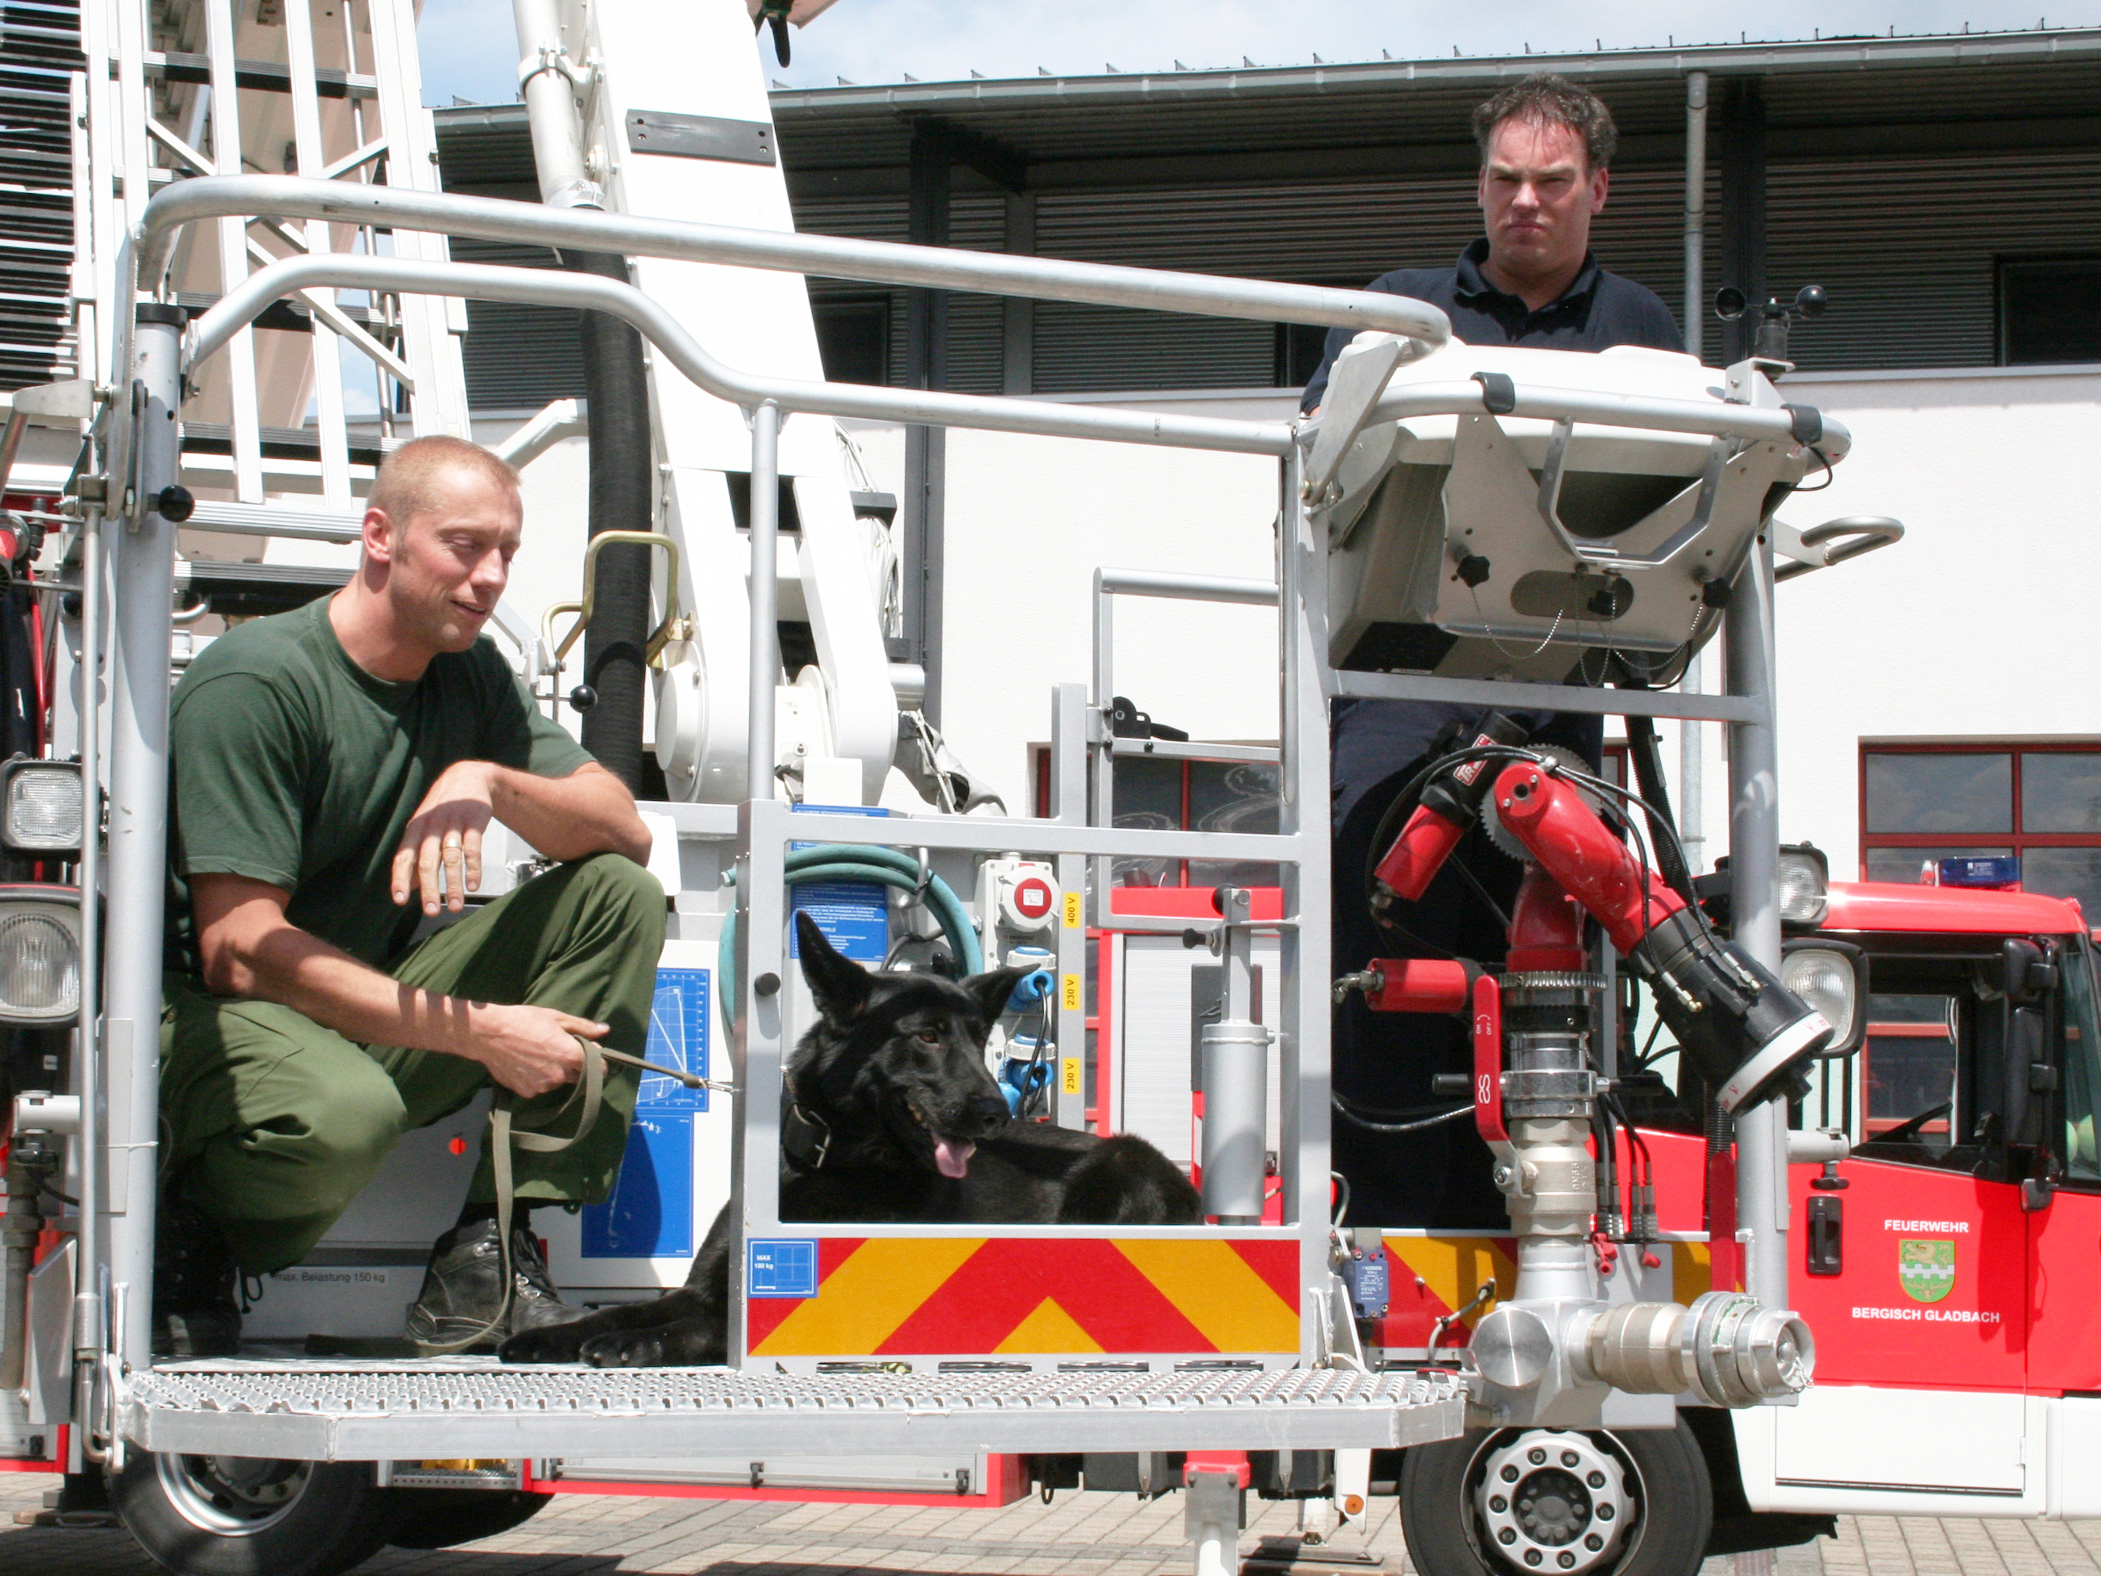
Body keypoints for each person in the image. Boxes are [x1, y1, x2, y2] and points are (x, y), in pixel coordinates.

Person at [154, 434, 664, 1356]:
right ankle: (189, 1241)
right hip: (214, 1022)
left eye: (507, 550)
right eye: (465, 545)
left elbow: (623, 827)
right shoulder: (258, 683)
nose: (492, 575)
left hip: (361, 1005)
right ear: (380, 536)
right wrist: (478, 1030)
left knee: (617, 894)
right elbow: (235, 949)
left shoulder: (465, 677)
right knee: (345, 1111)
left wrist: (489, 781)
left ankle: (489, 1252)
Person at [1306, 75, 1683, 1229]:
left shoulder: (1644, 336)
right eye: (1504, 180)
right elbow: (1317, 464)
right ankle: (1367, 1221)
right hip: (1401, 679)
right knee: (1367, 916)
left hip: (1553, 689)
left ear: (1597, 191)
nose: (1525, 201)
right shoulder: (1402, 314)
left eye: (1552, 182)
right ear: (1481, 185)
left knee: (1544, 961)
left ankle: (1527, 1205)